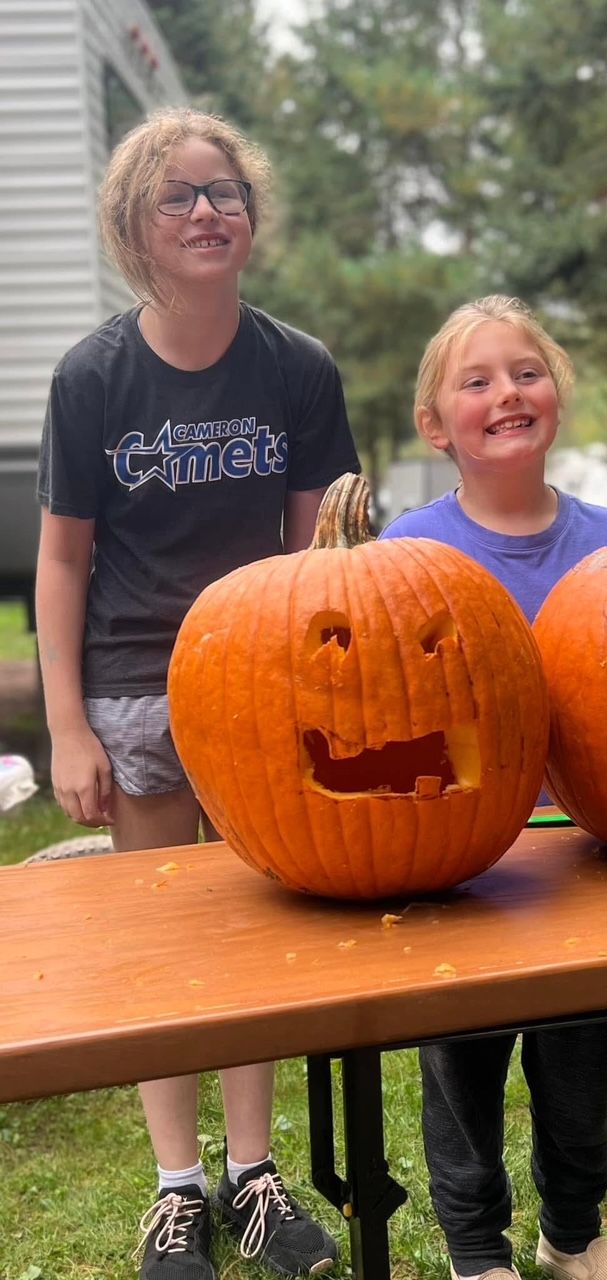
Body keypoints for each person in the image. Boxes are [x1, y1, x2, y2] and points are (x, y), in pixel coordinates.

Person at [35, 107, 360, 1280]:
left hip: (264, 688)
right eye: (178, 195)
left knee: (253, 924)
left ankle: (255, 1173)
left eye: (224, 191)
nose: (207, 210)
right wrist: (69, 725)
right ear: (135, 226)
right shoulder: (94, 377)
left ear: (252, 216)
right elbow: (63, 558)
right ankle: (178, 1187)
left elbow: (317, 549)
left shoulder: (296, 367)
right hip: (133, 686)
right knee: (163, 940)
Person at [379, 296, 607, 1280]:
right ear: (436, 423)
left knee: (581, 1053)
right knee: (462, 1059)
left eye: (526, 372)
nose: (508, 393)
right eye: (477, 379)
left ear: (557, 395)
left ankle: (573, 1229)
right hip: (460, 853)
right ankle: (475, 1246)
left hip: (586, 848)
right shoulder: (411, 554)